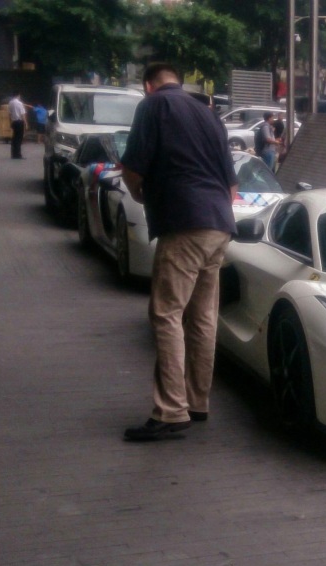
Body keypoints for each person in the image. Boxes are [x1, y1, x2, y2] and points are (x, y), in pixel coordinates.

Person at [119, 62, 238, 442]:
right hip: (220, 224)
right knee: (202, 316)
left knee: (166, 313)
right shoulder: (208, 115)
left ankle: (171, 411)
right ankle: (197, 401)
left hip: (184, 222)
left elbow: (133, 167)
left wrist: (141, 194)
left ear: (148, 86)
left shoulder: (153, 106)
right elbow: (231, 184)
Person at [7, 92, 26, 159]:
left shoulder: (10, 103)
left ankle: (13, 154)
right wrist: (25, 123)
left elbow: (9, 114)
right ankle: (18, 154)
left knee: (14, 138)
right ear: (18, 95)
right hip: (19, 122)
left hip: (14, 122)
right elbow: (22, 114)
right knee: (19, 138)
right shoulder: (19, 103)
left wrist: (10, 122)